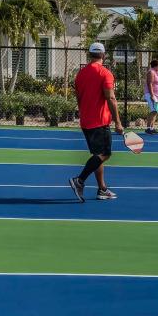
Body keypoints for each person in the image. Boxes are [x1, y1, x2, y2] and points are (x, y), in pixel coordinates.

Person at [69, 43, 124, 202]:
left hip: (86, 121)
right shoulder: (105, 73)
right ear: (104, 55)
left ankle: (102, 189)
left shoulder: (81, 74)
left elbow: (78, 98)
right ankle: (79, 180)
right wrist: (118, 122)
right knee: (105, 154)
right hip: (99, 122)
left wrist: (84, 112)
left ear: (89, 54)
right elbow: (111, 98)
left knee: (97, 155)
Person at [144, 59, 158, 135]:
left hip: (157, 95)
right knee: (153, 110)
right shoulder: (151, 72)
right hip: (150, 94)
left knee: (155, 111)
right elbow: (150, 84)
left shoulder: (157, 72)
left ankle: (152, 128)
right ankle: (148, 128)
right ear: (156, 66)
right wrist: (152, 95)